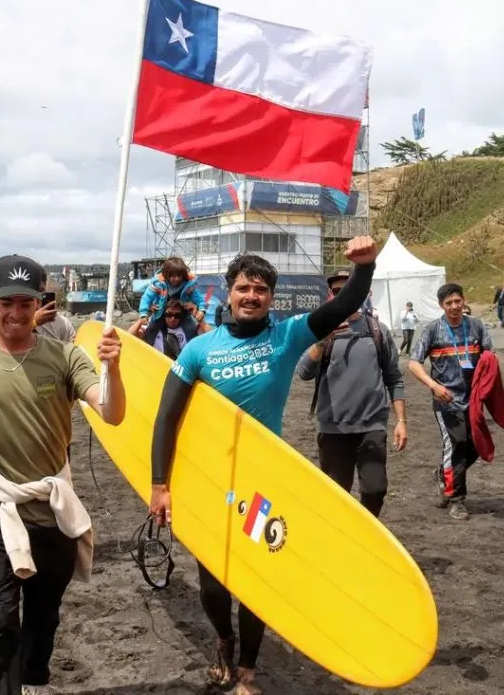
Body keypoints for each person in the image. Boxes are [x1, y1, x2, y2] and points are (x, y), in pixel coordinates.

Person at [148, 237, 378, 695]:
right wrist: (160, 483)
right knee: (213, 584)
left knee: (255, 579)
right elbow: (165, 419)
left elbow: (346, 302)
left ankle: (248, 670)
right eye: (242, 288)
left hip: (261, 483)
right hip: (210, 480)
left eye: (260, 289)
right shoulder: (199, 350)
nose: (251, 296)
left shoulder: (288, 335)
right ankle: (224, 639)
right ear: (228, 293)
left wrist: (365, 268)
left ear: (270, 296)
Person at [0, 254, 127, 695]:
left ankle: (33, 682)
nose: (16, 313)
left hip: (53, 505)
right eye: (8, 302)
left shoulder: (65, 357)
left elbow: (110, 412)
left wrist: (113, 368)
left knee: (43, 613)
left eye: (27, 304)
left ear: (39, 305)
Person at [296, 270, 407, 519]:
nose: (345, 296)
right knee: (336, 496)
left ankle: (364, 539)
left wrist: (401, 421)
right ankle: (338, 546)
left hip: (372, 427)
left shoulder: (378, 331)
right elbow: (303, 372)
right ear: (329, 295)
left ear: (364, 293)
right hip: (334, 430)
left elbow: (394, 377)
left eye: (350, 290)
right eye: (338, 291)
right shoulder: (320, 330)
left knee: (375, 489)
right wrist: (322, 341)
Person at [408, 283, 493, 521]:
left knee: (476, 446)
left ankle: (443, 475)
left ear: (464, 301)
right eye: (449, 303)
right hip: (446, 401)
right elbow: (414, 363)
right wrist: (434, 386)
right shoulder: (433, 330)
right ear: (441, 306)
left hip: (473, 400)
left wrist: (487, 389)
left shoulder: (476, 326)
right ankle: (457, 500)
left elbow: (489, 357)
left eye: (458, 301)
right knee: (456, 445)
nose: (454, 306)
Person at [137, 256, 207, 328]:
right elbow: (146, 297)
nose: (176, 279)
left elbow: (199, 298)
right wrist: (143, 313)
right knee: (151, 332)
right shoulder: (158, 283)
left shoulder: (188, 285)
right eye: (173, 276)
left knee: (190, 331)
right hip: (161, 313)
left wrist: (201, 309)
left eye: (179, 276)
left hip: (181, 314)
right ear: (166, 275)